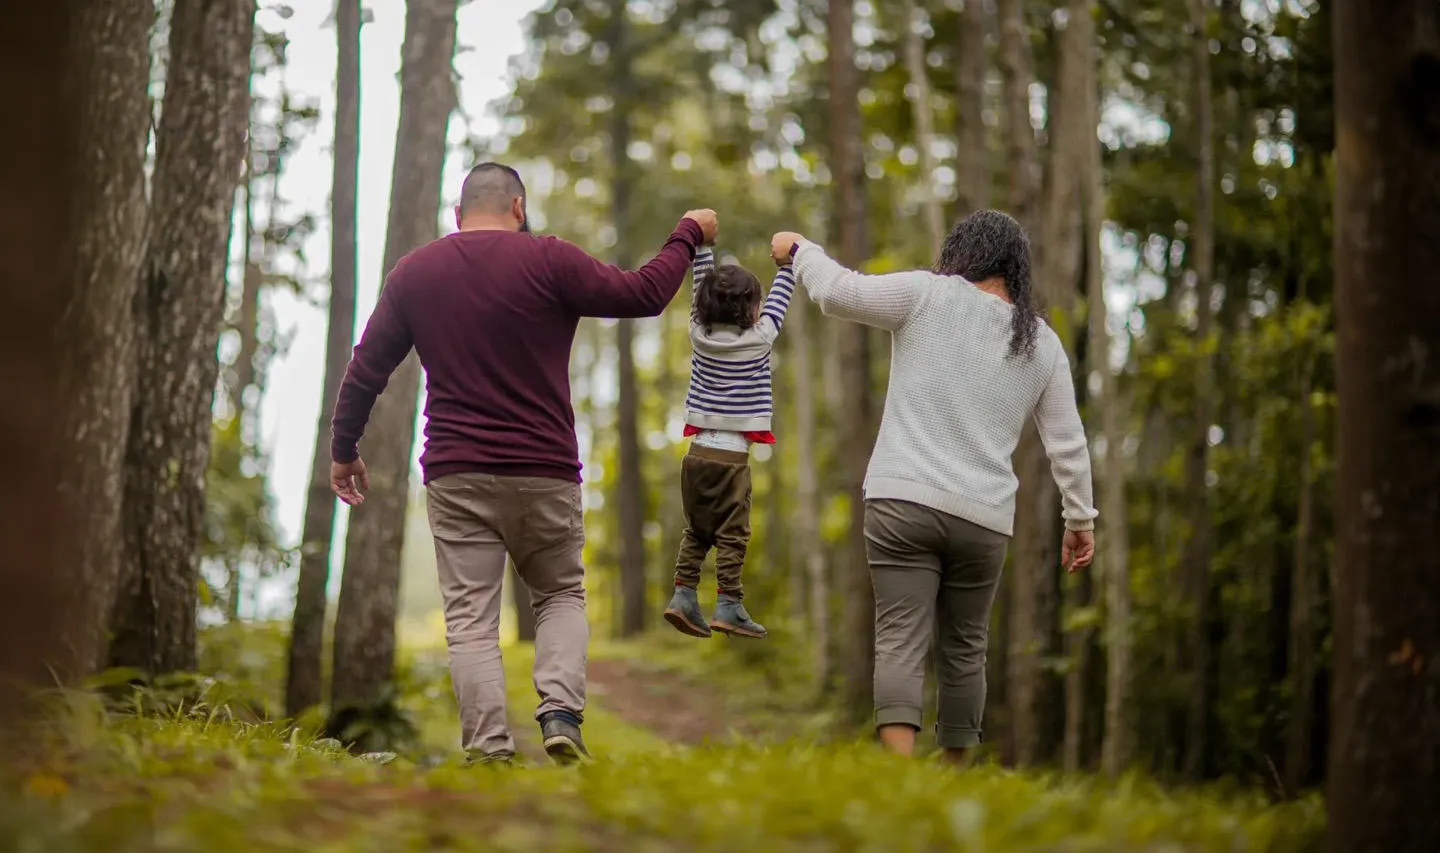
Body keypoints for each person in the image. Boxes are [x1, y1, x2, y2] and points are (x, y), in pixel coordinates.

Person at [329, 162, 718, 766]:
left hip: (456, 472)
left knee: (470, 621)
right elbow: (643, 294)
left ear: (458, 216)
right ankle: (561, 713)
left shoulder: (416, 273)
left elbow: (367, 368)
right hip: (544, 469)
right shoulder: (549, 258)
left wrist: (344, 448)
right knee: (560, 593)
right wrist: (687, 233)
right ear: (519, 207)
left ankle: (488, 751)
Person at [770, 210, 1098, 763]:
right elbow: (1068, 442)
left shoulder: (926, 294)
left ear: (961, 253)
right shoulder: (1041, 343)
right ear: (1016, 270)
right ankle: (954, 779)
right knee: (966, 650)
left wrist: (801, 249)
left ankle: (898, 775)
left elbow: (837, 293)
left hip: (903, 502)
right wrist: (1080, 519)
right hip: (984, 519)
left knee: (901, 637)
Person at [661, 239, 797, 639]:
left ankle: (683, 594)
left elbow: (700, 283)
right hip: (731, 461)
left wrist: (702, 248)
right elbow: (781, 297)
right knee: (732, 535)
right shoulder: (761, 337)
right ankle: (729, 604)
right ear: (751, 311)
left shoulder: (697, 335)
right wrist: (787, 264)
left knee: (696, 531)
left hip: (697, 455)